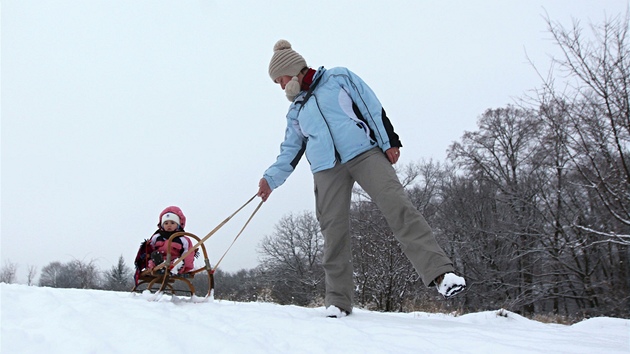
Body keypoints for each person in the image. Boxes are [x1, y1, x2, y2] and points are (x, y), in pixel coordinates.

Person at [256, 39, 466, 317]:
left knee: (398, 206)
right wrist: (270, 179)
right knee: (333, 233)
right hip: (326, 168)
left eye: (280, 80)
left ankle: (442, 274)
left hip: (364, 152)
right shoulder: (296, 110)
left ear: (291, 70)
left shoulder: (338, 77)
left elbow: (370, 105)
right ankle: (338, 302)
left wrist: (388, 140)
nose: (281, 87)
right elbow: (290, 150)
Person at [133, 206, 196, 284]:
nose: (169, 225)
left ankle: (174, 268)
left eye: (172, 223)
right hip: (159, 261)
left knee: (180, 261)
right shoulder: (157, 237)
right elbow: (149, 249)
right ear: (162, 225)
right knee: (155, 255)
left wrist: (185, 266)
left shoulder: (183, 239)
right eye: (166, 223)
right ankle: (161, 268)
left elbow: (188, 253)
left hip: (175, 262)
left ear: (178, 225)